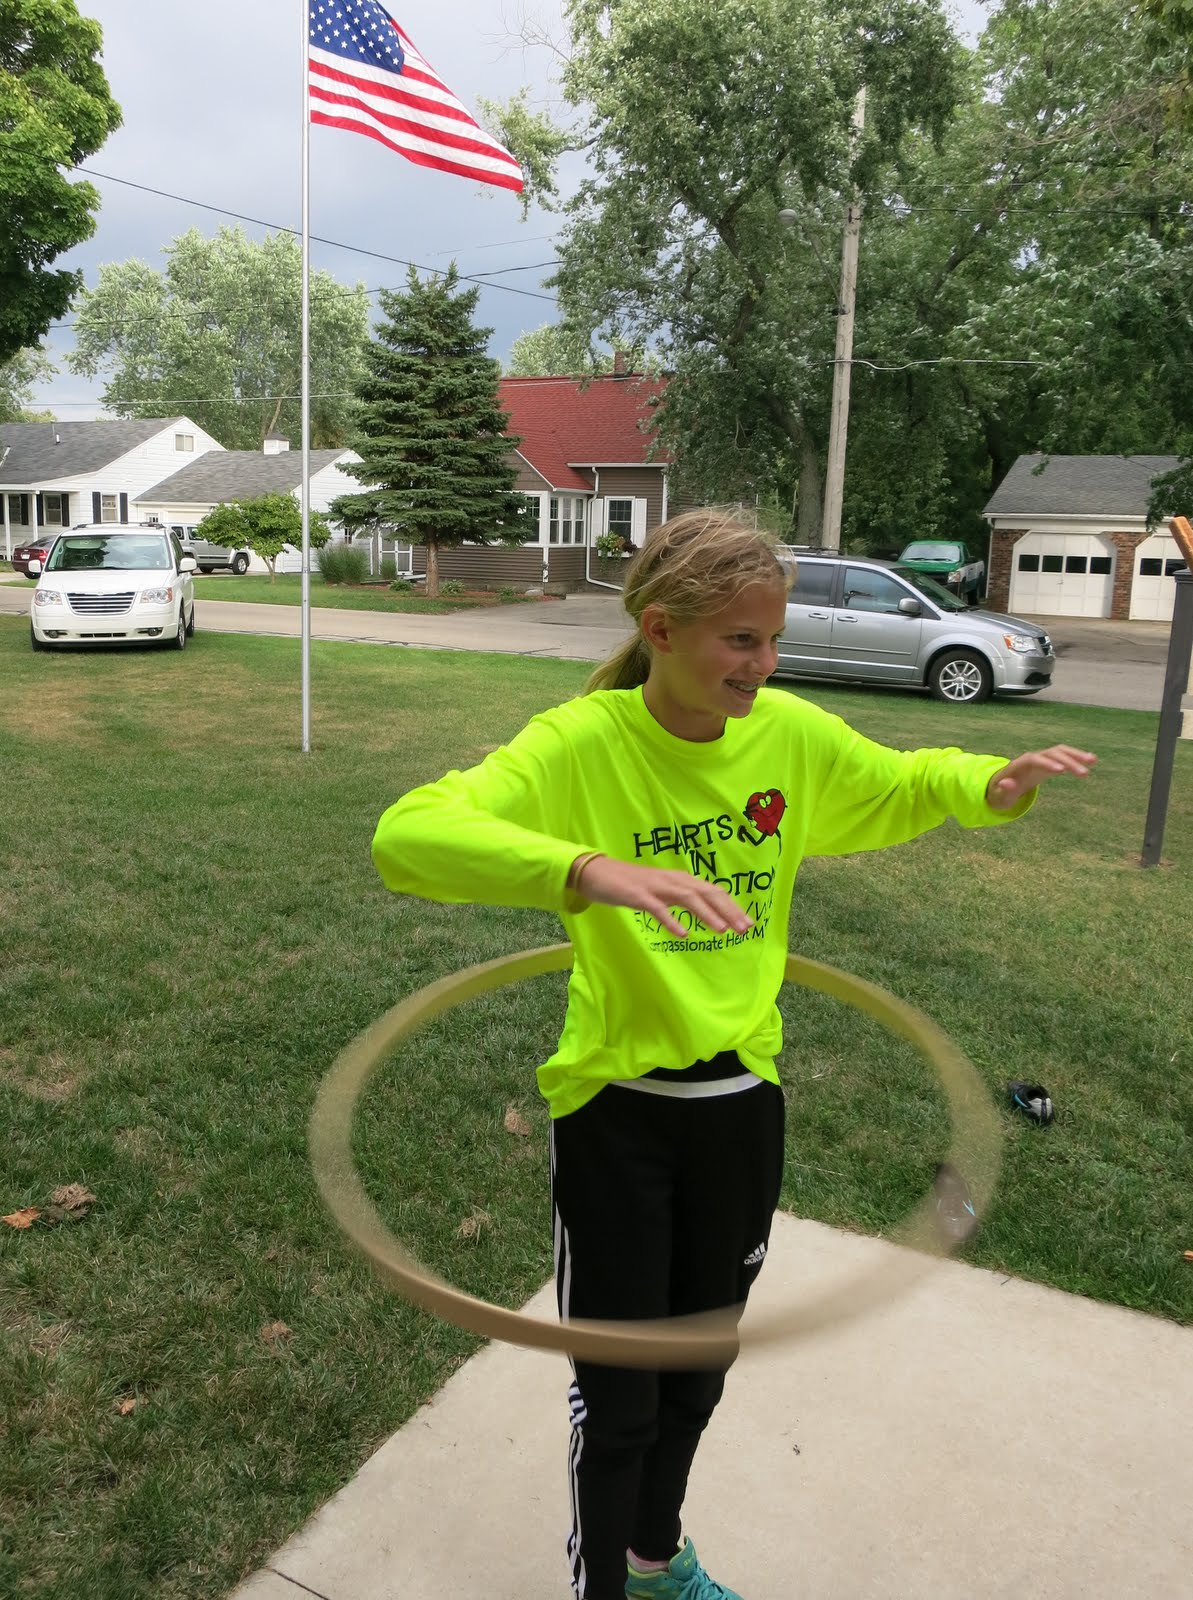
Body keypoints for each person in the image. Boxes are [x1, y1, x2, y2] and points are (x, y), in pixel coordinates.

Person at [371, 510, 1096, 1600]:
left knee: (696, 1376)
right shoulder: (583, 745)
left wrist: (988, 785)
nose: (764, 663)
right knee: (617, 1401)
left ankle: (654, 1562)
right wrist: (588, 871)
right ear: (660, 629)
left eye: (771, 638)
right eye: (739, 642)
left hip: (739, 1105)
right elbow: (408, 835)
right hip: (615, 1108)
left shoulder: (788, 738)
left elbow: (897, 784)